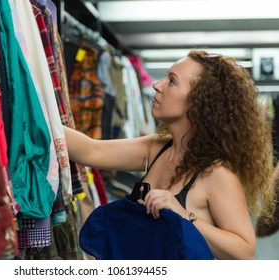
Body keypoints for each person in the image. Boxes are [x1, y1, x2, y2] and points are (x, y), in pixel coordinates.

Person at [64, 50, 277, 260]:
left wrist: (184, 215)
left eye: (172, 81)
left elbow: (244, 250)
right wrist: (37, 113)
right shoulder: (156, 149)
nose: (157, 85)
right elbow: (90, 150)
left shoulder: (216, 173)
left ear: (198, 101)